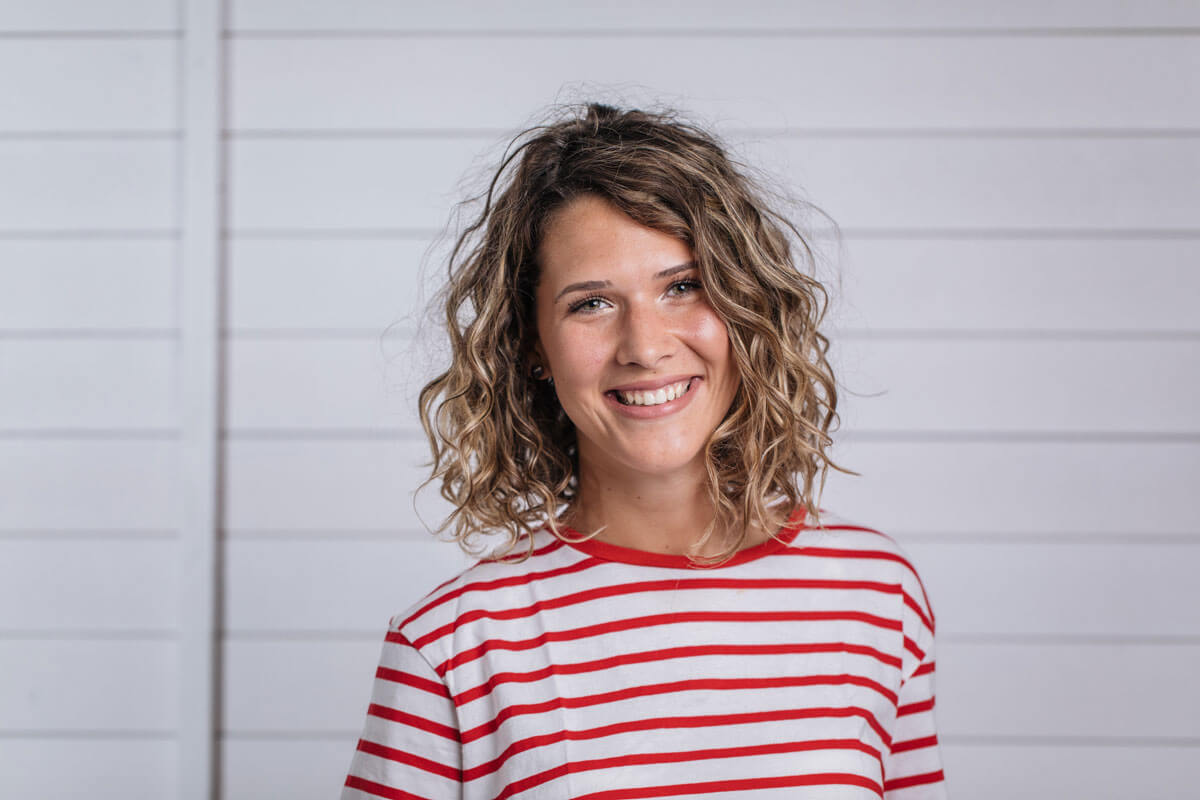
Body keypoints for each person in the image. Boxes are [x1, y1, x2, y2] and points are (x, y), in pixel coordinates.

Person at [341, 102, 946, 799]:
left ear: (746, 305)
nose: (645, 346)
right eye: (591, 303)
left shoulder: (875, 592)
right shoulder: (451, 646)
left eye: (682, 287)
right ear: (532, 346)